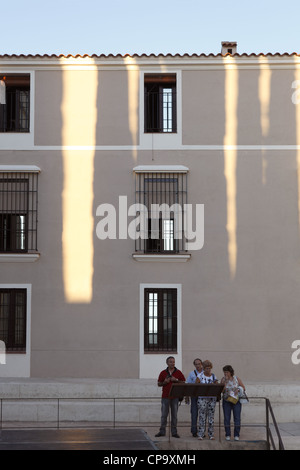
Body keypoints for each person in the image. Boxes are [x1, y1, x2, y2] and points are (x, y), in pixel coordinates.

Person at [155, 356, 185, 438]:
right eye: (171, 362)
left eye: (173, 362)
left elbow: (183, 382)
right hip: (165, 397)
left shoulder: (178, 372)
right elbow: (159, 384)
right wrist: (164, 382)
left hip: (175, 397)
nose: (172, 363)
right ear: (167, 363)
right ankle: (162, 431)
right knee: (164, 415)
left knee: (174, 416)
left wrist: (176, 380)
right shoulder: (163, 373)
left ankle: (174, 432)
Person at [221, 365, 246, 441]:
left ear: (231, 372)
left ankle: (236, 435)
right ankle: (227, 434)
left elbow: (243, 388)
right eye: (224, 372)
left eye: (227, 372)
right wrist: (225, 382)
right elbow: (221, 391)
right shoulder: (223, 379)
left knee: (237, 418)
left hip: (236, 401)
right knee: (227, 418)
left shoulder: (236, 378)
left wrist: (238, 389)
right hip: (226, 401)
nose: (226, 374)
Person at [197, 360, 218, 440]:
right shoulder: (200, 376)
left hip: (211, 398)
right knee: (202, 416)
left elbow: (217, 385)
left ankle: (211, 434)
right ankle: (201, 434)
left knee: (211, 417)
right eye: (206, 368)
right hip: (202, 398)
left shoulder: (213, 376)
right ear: (203, 368)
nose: (208, 370)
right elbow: (196, 386)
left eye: (209, 368)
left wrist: (215, 384)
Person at [186, 358, 203, 437]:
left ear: (201, 364)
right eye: (196, 364)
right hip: (194, 395)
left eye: (199, 364)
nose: (198, 365)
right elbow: (188, 385)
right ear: (194, 365)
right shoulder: (191, 373)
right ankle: (194, 431)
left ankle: (202, 431)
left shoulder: (205, 373)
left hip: (203, 396)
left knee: (202, 414)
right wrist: (187, 396)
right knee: (194, 413)